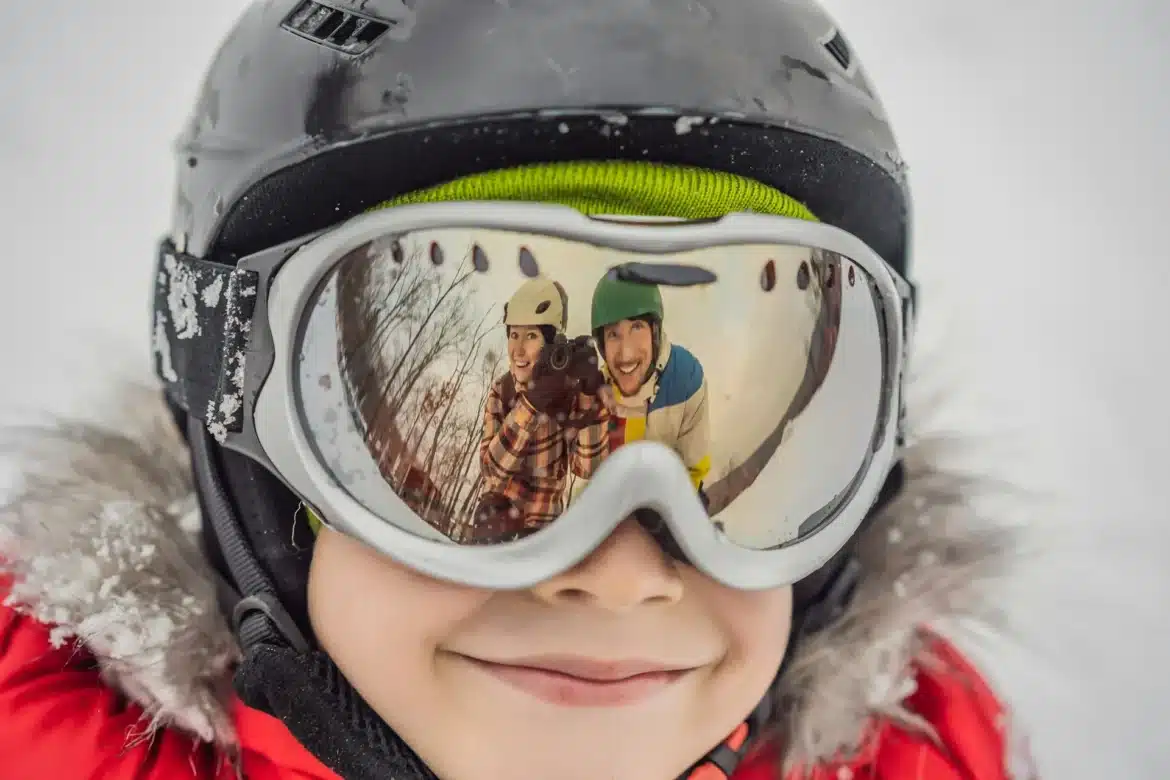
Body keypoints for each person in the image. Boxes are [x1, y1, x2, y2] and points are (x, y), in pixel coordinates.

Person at [0, 2, 1033, 779]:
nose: (618, 577)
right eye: (423, 470)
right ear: (253, 473)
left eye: (739, 498)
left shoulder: (932, 754)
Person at [472, 278, 609, 542]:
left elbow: (589, 469)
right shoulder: (503, 391)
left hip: (543, 529)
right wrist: (531, 405)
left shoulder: (569, 394)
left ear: (552, 342)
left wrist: (590, 395)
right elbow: (491, 471)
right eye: (514, 334)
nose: (518, 350)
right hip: (495, 521)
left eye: (531, 335)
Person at [591, 275, 712, 495]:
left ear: (654, 332)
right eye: (613, 334)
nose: (626, 353)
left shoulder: (685, 379)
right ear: (602, 345)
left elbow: (694, 467)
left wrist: (664, 511)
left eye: (636, 327)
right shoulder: (598, 394)